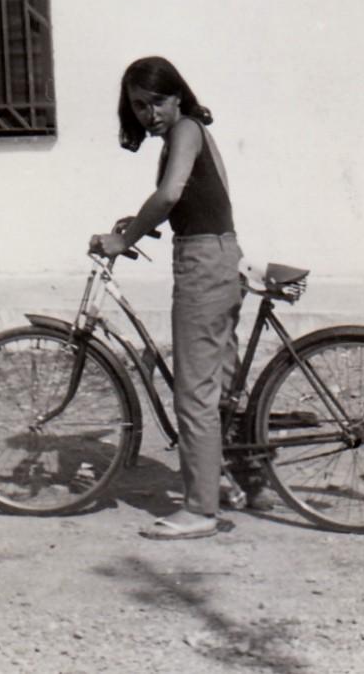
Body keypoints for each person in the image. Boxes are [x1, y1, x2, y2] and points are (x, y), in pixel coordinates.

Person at [89, 56, 247, 540]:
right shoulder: (191, 130)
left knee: (193, 392)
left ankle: (200, 511)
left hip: (204, 265)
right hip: (217, 255)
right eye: (138, 105)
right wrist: (136, 226)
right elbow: (188, 202)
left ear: (178, 95)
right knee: (216, 381)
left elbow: (169, 195)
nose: (149, 112)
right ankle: (227, 480)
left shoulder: (185, 131)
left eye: (157, 100)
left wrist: (126, 239)